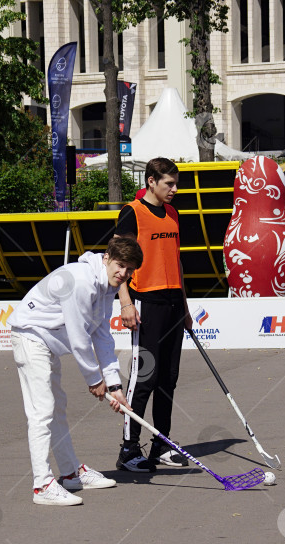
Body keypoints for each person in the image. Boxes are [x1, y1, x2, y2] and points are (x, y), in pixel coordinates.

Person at [8, 236, 142, 505]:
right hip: (31, 336)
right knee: (42, 411)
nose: (123, 273)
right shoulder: (82, 281)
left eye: (129, 269)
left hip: (46, 342)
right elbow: (79, 335)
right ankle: (42, 485)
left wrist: (115, 387)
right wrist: (94, 380)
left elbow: (102, 336)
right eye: (120, 265)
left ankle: (70, 474)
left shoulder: (106, 286)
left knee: (57, 408)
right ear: (106, 258)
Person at [114, 157, 193, 472]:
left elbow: (177, 262)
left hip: (174, 303)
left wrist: (185, 307)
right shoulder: (132, 213)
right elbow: (117, 260)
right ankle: (129, 449)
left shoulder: (173, 213)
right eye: (168, 184)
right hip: (146, 302)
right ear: (151, 181)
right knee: (143, 377)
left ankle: (161, 444)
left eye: (175, 184)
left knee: (168, 379)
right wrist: (125, 302)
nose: (173, 189)